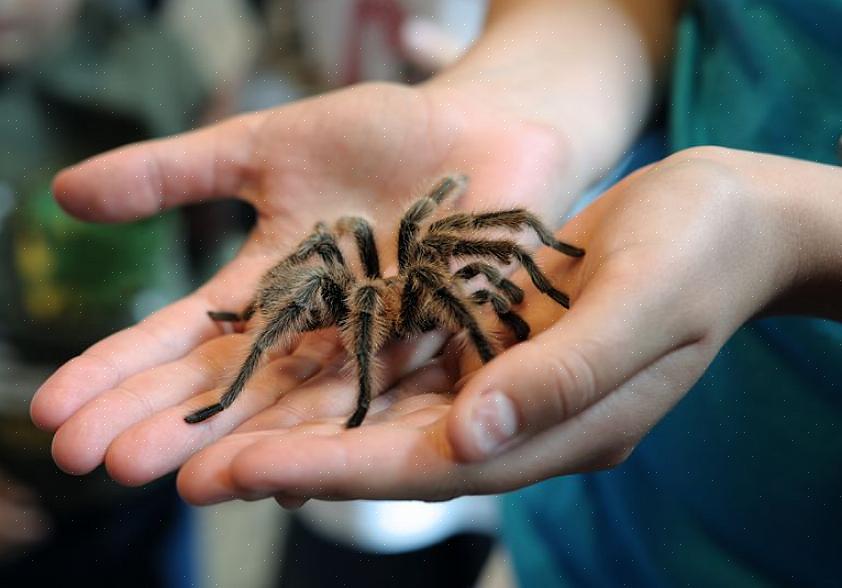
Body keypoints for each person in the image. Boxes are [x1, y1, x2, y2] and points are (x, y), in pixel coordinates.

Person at [30, 0, 842, 585]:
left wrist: (790, 238)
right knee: (327, 262)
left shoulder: (430, 268)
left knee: (448, 258)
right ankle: (246, 343)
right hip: (602, 535)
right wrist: (515, 102)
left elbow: (478, 250)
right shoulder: (361, 284)